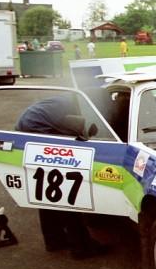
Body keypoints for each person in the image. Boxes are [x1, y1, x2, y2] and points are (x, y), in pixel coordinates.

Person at [15, 95, 107, 259]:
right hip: (36, 131)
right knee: (66, 193)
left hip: (24, 130)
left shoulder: (67, 99)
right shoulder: (76, 110)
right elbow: (82, 136)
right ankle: (81, 247)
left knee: (46, 191)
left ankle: (54, 240)